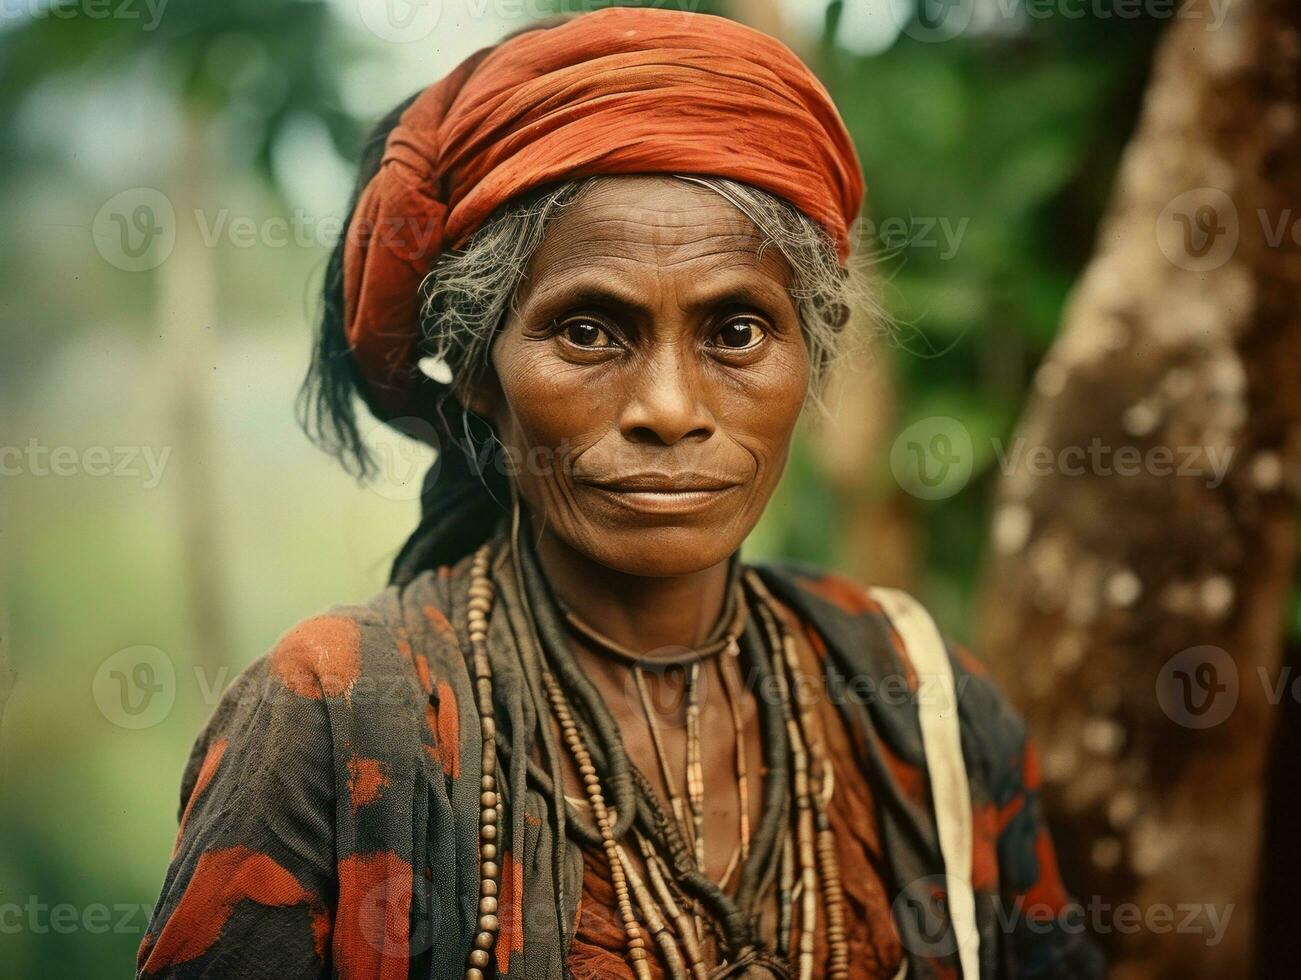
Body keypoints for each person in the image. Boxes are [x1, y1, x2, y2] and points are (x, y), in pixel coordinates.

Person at [136, 8, 1103, 979]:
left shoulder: (918, 700)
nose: (669, 408)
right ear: (475, 370)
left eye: (735, 330)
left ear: (809, 356)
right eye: (589, 330)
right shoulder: (329, 713)